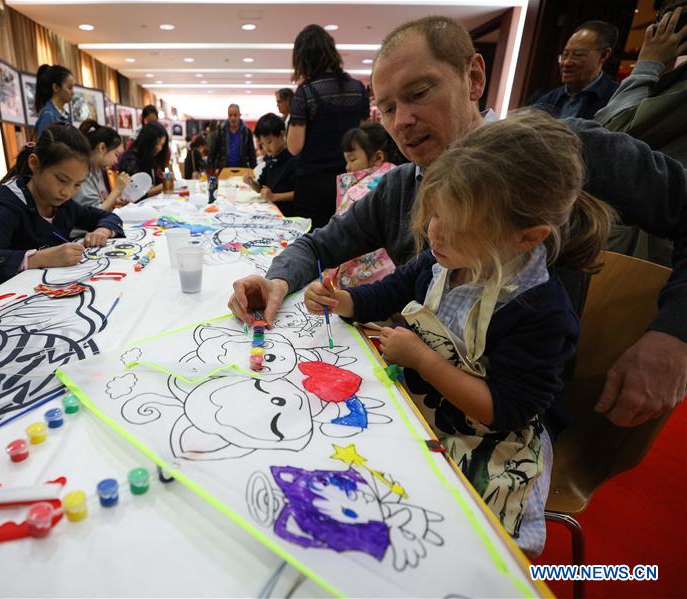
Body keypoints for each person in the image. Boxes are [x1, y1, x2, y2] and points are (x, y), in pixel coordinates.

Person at [228, 15, 687, 433]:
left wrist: (674, 333)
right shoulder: (399, 187)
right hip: (413, 399)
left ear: (473, 78)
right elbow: (317, 246)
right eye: (387, 108)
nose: (403, 121)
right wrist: (277, 281)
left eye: (420, 93)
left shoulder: (560, 153)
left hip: (506, 417)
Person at [304, 110, 614, 553]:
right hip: (430, 406)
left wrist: (422, 359)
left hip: (494, 441)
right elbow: (389, 292)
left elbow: (504, 410)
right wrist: (345, 300)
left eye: (458, 227)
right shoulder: (443, 260)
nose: (435, 234)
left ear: (526, 238)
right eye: (434, 215)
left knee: (441, 539)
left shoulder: (540, 311)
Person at [0, 124, 124, 291]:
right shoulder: (10, 203)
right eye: (61, 180)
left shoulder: (63, 204)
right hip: (15, 299)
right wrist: (41, 258)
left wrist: (102, 231)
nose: (67, 192)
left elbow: (108, 217)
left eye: (77, 185)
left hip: (53, 290)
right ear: (34, 163)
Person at [595, 2, 687, 266]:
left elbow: (610, 137)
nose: (659, 26)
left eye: (671, 15)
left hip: (653, 250)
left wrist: (648, 65)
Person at [287, 24, 371, 229]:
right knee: (347, 239)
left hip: (314, 183)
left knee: (314, 243)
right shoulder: (358, 89)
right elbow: (364, 137)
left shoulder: (305, 93)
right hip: (351, 179)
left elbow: (294, 146)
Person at [329, 123, 399, 288]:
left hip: (366, 276)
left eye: (352, 159)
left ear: (378, 157)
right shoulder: (399, 176)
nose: (347, 166)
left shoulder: (359, 191)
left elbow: (340, 234)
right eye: (346, 161)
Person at [534, 21, 620, 120]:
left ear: (604, 55)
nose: (566, 63)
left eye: (577, 55)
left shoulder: (616, 100)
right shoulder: (546, 100)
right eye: (565, 54)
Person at [71, 119, 130, 213]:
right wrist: (116, 191)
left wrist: (115, 200)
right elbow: (93, 213)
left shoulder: (96, 169)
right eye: (116, 154)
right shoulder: (83, 172)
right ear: (102, 148)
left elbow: (100, 201)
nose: (116, 161)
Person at [243, 113, 298, 209]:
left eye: (269, 142)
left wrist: (274, 197)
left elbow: (300, 194)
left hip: (287, 214)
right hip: (271, 210)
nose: (266, 148)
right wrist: (251, 182)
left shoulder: (292, 160)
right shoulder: (270, 161)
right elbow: (261, 188)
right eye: (263, 144)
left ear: (281, 135)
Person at [116, 121, 170, 199]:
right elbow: (134, 196)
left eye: (162, 145)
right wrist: (164, 186)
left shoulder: (151, 158)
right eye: (158, 143)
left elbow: (156, 183)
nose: (160, 148)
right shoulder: (131, 159)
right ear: (148, 141)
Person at [207, 104, 256, 169]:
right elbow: (212, 153)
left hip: (242, 169)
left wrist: (254, 170)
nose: (232, 118)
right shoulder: (220, 131)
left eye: (235, 115)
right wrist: (211, 171)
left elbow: (251, 154)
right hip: (223, 169)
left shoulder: (247, 132)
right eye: (230, 115)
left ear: (239, 115)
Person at [33, 65, 74, 139]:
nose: (72, 92)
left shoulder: (66, 115)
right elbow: (44, 148)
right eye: (69, 88)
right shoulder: (48, 116)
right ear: (56, 87)